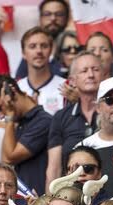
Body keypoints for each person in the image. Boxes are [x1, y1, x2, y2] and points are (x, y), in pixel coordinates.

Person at [0, 74, 51, 196]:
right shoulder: (16, 123)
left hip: (39, 200)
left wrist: (9, 117)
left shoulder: (43, 120)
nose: (0, 115)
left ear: (12, 92)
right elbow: (5, 160)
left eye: (0, 107)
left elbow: (10, 157)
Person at [46, 51, 104, 185]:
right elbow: (54, 168)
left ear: (104, 75)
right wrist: (49, 203)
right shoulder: (61, 117)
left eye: (95, 70)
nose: (90, 75)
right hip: (70, 195)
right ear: (72, 80)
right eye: (84, 71)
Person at [16, 27, 64, 116]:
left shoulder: (64, 88)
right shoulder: (16, 89)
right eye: (32, 46)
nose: (39, 51)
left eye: (44, 46)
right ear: (23, 53)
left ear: (51, 51)